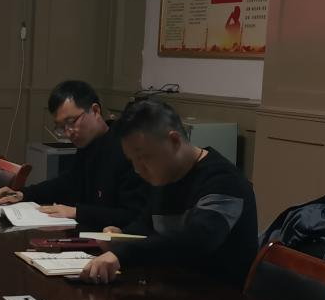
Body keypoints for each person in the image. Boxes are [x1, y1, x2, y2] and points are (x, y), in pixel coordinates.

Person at [79, 98, 258, 286]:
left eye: (144, 157)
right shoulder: (166, 176)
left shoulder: (223, 180)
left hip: (218, 296)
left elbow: (197, 240)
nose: (138, 169)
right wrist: (121, 235)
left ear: (174, 140)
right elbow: (146, 225)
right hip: (171, 288)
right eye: (132, 161)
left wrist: (123, 254)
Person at [0, 80, 147, 231]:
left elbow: (133, 215)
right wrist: (22, 194)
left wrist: (77, 212)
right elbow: (68, 182)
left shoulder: (127, 148)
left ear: (95, 111)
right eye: (61, 127)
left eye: (71, 122)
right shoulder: (89, 144)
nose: (68, 132)